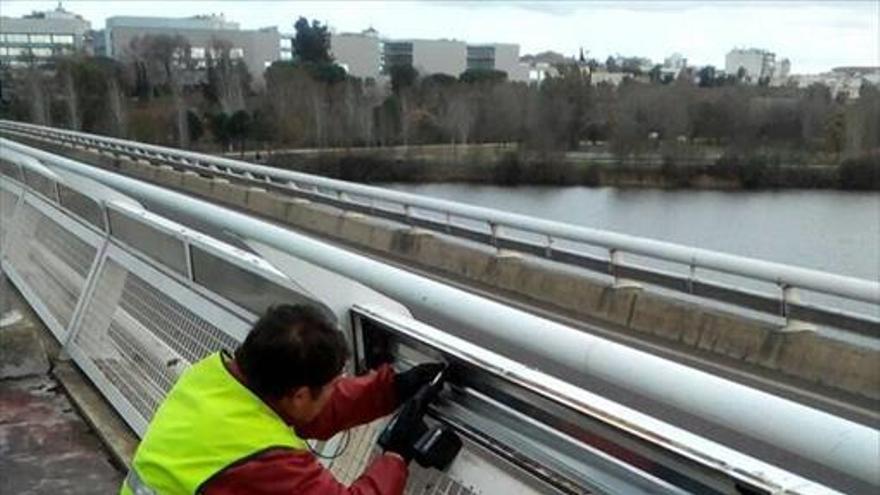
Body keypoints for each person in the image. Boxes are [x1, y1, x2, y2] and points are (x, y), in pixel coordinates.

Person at [120, 304, 444, 495]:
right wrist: (396, 457)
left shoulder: (213, 378)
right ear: (300, 393)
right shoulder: (263, 457)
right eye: (333, 384)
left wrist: (392, 389)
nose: (337, 389)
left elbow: (308, 410)